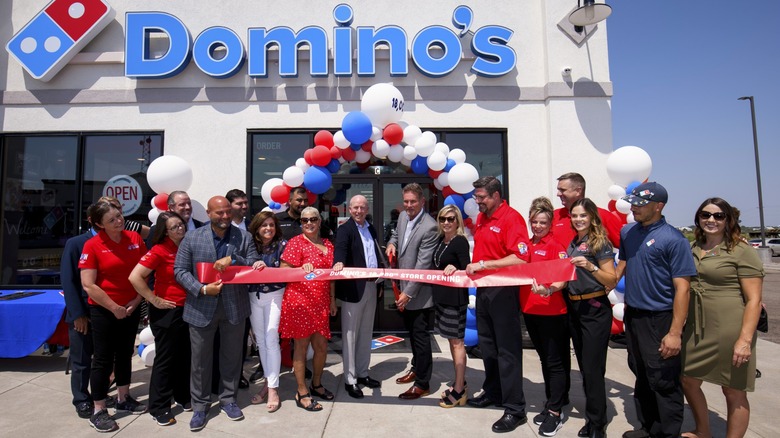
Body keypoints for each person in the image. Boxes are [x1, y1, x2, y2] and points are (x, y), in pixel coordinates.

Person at [616, 182, 697, 438]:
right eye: (633, 203)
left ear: (659, 206)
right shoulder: (628, 232)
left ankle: (667, 433)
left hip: (660, 318)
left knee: (663, 380)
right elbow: (619, 270)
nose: (634, 208)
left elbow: (683, 289)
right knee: (641, 373)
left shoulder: (673, 240)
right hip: (634, 315)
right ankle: (649, 428)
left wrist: (674, 332)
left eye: (641, 204)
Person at [173, 196, 258, 431]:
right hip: (201, 306)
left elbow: (254, 263)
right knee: (200, 361)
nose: (224, 217)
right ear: (209, 213)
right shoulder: (192, 237)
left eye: (227, 212)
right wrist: (201, 289)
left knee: (232, 357)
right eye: (219, 213)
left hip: (234, 307)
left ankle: (228, 400)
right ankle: (200, 406)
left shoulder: (244, 236)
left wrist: (235, 259)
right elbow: (179, 270)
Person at [681, 198, 764, 438]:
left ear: (728, 220)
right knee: (688, 379)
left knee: (733, 389)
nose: (711, 220)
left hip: (731, 328)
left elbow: (754, 300)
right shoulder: (695, 247)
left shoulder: (741, 250)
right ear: (698, 218)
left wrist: (745, 340)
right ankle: (703, 431)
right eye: (706, 215)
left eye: (718, 216)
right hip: (697, 326)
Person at [464, 176, 530, 433]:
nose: (477, 202)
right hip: (484, 291)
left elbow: (521, 258)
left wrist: (484, 265)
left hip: (504, 292)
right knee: (488, 347)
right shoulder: (482, 218)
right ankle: (493, 392)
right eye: (476, 197)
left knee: (508, 351)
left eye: (481, 197)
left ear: (496, 195)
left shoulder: (511, 218)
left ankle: (515, 408)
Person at [79, 201, 148, 432]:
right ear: (99, 224)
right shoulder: (92, 245)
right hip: (104, 310)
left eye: (119, 216)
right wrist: (114, 307)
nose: (118, 221)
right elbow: (88, 285)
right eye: (112, 220)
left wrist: (136, 301)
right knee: (103, 359)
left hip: (131, 306)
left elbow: (144, 272)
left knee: (125, 353)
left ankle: (123, 397)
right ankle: (98, 409)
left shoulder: (135, 239)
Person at [129, 211, 191, 426]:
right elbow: (135, 277)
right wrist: (153, 299)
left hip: (188, 309)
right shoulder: (159, 250)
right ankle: (159, 406)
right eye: (174, 227)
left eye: (181, 224)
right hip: (167, 311)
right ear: (165, 231)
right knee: (165, 360)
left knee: (184, 356)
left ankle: (183, 397)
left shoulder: (186, 246)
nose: (179, 228)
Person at [564, 198, 617, 438]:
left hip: (595, 308)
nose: (578, 220)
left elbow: (611, 279)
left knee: (594, 369)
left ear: (592, 217)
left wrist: (590, 266)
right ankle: (594, 416)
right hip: (575, 308)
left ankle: (597, 424)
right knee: (585, 367)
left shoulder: (599, 243)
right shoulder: (573, 242)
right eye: (574, 216)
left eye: (583, 216)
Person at [278, 206, 337, 412]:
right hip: (300, 303)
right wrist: (299, 269)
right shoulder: (295, 243)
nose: (309, 223)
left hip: (320, 304)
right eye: (305, 221)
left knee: (321, 347)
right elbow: (283, 271)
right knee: (301, 348)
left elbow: (330, 277)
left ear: (319, 222)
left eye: (313, 219)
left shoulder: (328, 245)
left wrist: (332, 300)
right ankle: (302, 391)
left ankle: (317, 384)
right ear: (301, 223)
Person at [521, 197, 570, 437]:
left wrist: (550, 289)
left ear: (550, 224)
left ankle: (556, 412)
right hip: (531, 311)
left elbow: (564, 276)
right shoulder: (527, 245)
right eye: (534, 221)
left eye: (543, 222)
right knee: (544, 361)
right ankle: (551, 402)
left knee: (554, 362)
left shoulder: (555, 245)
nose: (538, 226)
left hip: (552, 312)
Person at [386, 183, 439, 401]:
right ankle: (416, 368)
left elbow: (422, 265)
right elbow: (398, 237)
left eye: (413, 202)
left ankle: (423, 383)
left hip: (418, 294)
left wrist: (407, 293)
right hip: (403, 288)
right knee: (412, 334)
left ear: (422, 202)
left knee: (420, 339)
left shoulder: (430, 227)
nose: (409, 205)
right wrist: (391, 243)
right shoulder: (402, 217)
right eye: (406, 201)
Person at [332, 195, 383, 399]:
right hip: (353, 289)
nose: (359, 211)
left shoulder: (370, 228)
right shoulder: (345, 229)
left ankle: (363, 373)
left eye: (362, 207)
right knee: (350, 336)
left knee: (365, 334)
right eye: (355, 208)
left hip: (371, 286)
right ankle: (350, 380)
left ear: (367, 208)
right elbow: (340, 251)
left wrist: (380, 281)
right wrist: (338, 263)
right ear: (349, 209)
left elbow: (375, 255)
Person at [61, 204, 102, 419]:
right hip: (84, 313)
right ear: (94, 220)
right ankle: (81, 399)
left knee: (102, 360)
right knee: (81, 360)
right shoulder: (76, 244)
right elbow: (68, 281)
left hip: (106, 313)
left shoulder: (115, 242)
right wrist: (77, 314)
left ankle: (99, 396)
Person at [430, 205, 471, 408]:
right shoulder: (441, 240)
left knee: (457, 343)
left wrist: (457, 267)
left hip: (455, 300)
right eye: (443, 219)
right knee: (451, 341)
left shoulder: (460, 241)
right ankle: (459, 381)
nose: (446, 222)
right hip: (442, 300)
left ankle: (459, 389)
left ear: (458, 222)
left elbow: (467, 267)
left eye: (451, 219)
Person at [246, 211, 287, 413]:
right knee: (260, 341)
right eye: (264, 225)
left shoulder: (282, 245)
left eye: (271, 225)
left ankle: (273, 389)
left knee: (271, 338)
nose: (268, 229)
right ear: (257, 227)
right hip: (254, 296)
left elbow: (288, 268)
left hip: (275, 295)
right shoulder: (249, 245)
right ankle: (268, 383)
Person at [552, 172, 622, 249]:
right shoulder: (554, 216)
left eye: (562, 190)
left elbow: (625, 247)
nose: (558, 194)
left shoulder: (602, 215)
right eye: (558, 190)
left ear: (578, 191)